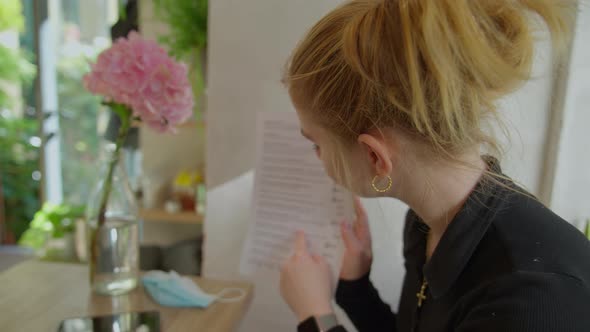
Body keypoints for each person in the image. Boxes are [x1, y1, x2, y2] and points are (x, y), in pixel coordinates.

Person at [278, 1, 590, 331]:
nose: (317, 156)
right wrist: (356, 289)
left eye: (316, 144)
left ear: (375, 158)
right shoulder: (427, 224)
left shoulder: (531, 301)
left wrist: (315, 315)